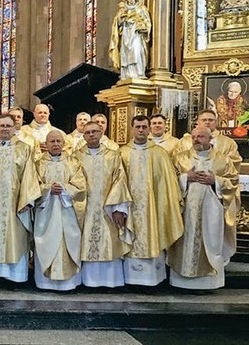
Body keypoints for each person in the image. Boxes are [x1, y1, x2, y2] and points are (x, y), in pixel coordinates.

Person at [169, 127, 239, 290]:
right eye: (193, 136)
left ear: (209, 139)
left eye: (200, 136)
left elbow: (233, 182)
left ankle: (208, 283)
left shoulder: (223, 160)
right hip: (186, 211)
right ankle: (181, 281)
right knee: (185, 241)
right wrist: (186, 178)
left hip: (211, 211)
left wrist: (216, 181)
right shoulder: (180, 158)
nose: (196, 139)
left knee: (211, 243)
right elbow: (169, 181)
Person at [119, 115, 183, 287]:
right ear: (132, 129)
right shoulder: (123, 153)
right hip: (130, 207)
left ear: (148, 129)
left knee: (153, 233)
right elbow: (117, 182)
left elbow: (168, 184)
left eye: (144, 127)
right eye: (138, 127)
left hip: (153, 208)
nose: (141, 130)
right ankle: (131, 280)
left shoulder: (159, 153)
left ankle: (153, 280)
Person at [0, 115, 40, 286]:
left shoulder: (24, 148)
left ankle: (14, 277)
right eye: (1, 125)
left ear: (14, 128)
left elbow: (29, 175)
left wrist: (27, 200)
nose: (5, 129)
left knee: (14, 237)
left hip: (15, 203)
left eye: (8, 126)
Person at [74, 121, 133, 288]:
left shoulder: (113, 155)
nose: (91, 135)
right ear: (83, 135)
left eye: (94, 132)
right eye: (87, 133)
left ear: (101, 133)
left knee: (109, 240)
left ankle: (110, 281)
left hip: (107, 208)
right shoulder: (76, 156)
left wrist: (118, 208)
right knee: (85, 240)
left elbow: (120, 181)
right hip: (84, 208)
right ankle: (87, 281)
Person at [34, 130, 87, 291]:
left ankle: (68, 284)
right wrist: (47, 189)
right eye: (52, 141)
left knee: (68, 243)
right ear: (46, 144)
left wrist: (63, 188)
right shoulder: (38, 163)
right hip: (46, 212)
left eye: (58, 141)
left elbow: (81, 186)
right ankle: (44, 283)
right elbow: (31, 186)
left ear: (64, 144)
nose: (55, 144)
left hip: (67, 212)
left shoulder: (73, 162)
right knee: (46, 243)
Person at [177, 109, 242, 170]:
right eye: (204, 120)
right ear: (198, 122)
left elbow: (235, 163)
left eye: (210, 120)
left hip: (216, 178)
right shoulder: (184, 141)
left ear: (216, 122)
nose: (207, 122)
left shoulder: (228, 142)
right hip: (190, 177)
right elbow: (177, 161)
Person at [109, 0, 152, 80]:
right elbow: (117, 23)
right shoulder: (123, 10)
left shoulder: (141, 8)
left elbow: (147, 22)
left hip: (136, 35)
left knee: (136, 52)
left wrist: (139, 25)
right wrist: (121, 18)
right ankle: (127, 74)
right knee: (125, 55)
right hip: (126, 35)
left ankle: (138, 72)